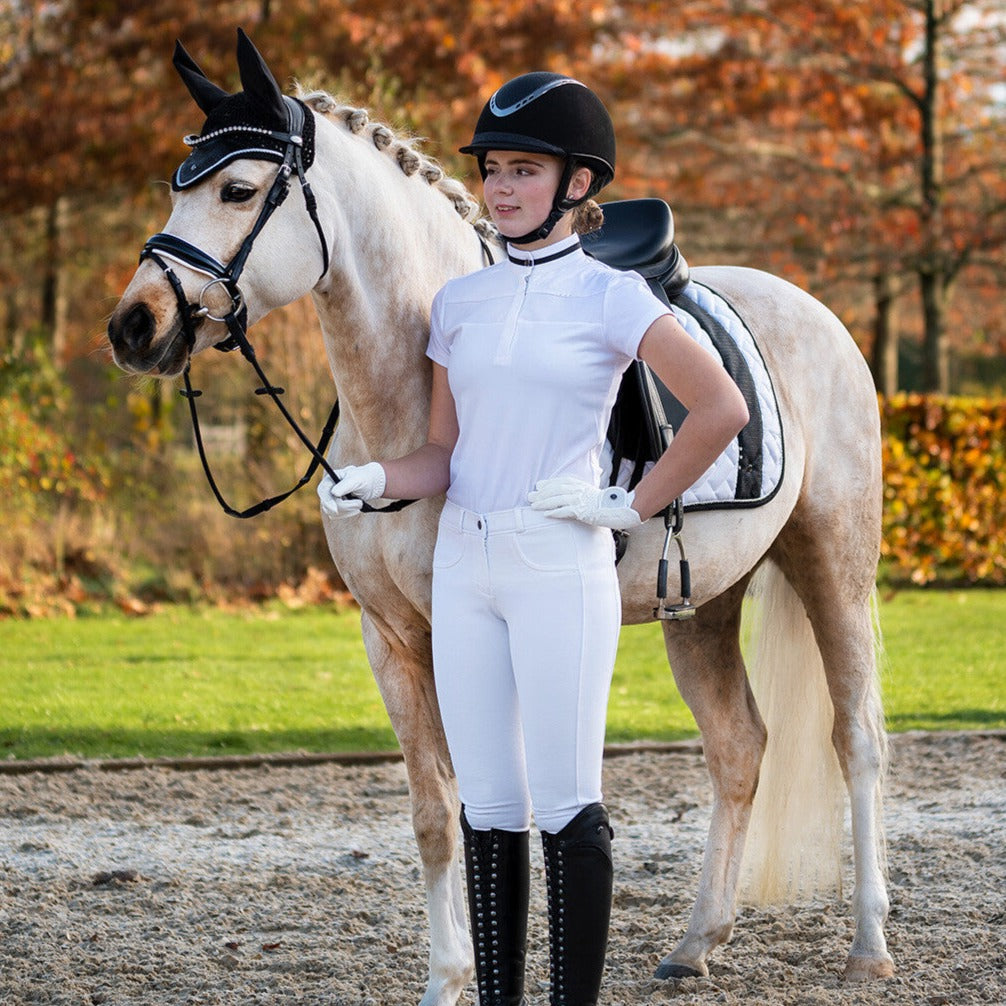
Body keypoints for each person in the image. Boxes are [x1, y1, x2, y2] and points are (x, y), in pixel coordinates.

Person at [318, 72, 749, 1006]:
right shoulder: (460, 305)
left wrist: (630, 508)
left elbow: (721, 407)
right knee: (490, 808)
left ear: (578, 183)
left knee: (564, 806)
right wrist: (376, 482)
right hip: (465, 563)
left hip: (560, 565)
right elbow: (441, 452)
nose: (502, 188)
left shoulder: (611, 298)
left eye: (524, 170)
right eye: (494, 170)